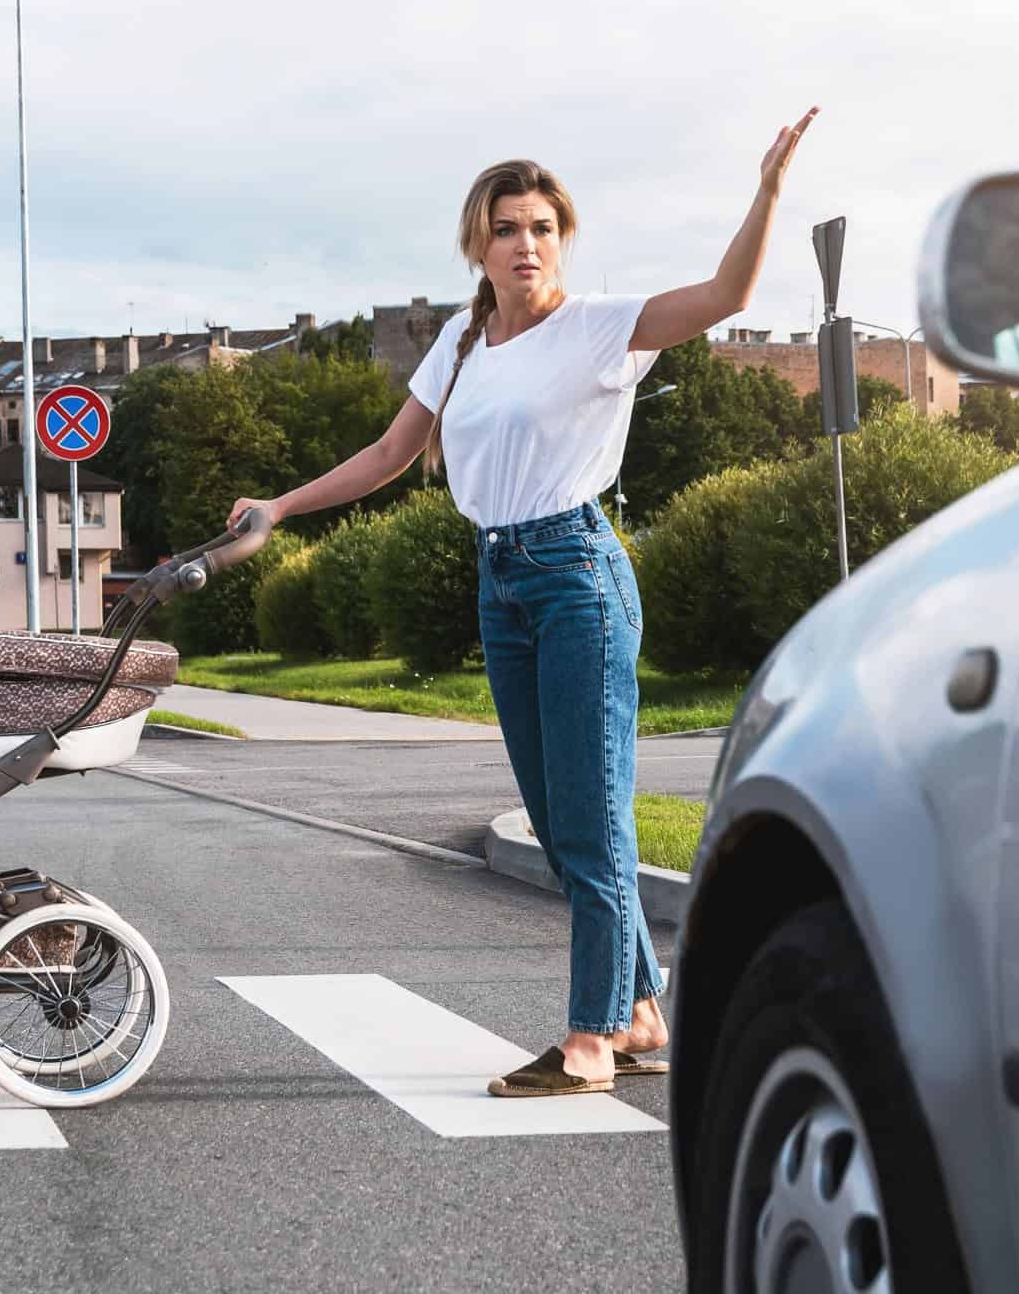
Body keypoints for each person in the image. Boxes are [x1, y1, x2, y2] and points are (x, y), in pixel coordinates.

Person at [229, 107, 817, 1096]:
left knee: (589, 819)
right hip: (500, 581)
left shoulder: (600, 329)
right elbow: (390, 454)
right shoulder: (461, 343)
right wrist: (280, 507)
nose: (526, 245)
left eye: (543, 228)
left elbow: (724, 294)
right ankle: (636, 1014)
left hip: (577, 573)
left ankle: (587, 1041)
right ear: (479, 243)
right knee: (557, 821)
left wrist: (764, 192)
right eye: (507, 228)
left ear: (563, 240)